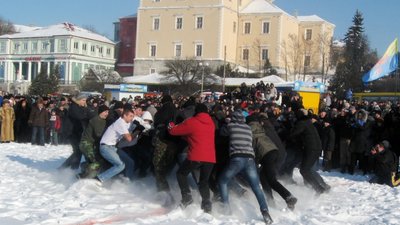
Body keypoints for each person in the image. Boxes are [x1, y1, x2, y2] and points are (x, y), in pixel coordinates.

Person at [218, 109, 273, 225]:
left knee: (223, 180)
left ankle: (226, 209)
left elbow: (222, 133)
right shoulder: (248, 128)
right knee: (256, 187)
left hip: (237, 158)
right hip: (250, 159)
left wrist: (227, 122)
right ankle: (265, 210)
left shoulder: (231, 126)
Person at [168, 103, 216, 212]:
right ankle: (207, 204)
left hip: (196, 155)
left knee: (181, 174)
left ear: (196, 112)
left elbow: (173, 131)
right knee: (204, 182)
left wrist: (170, 124)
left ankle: (187, 197)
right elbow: (198, 134)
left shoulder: (192, 121)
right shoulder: (211, 123)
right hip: (210, 158)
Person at [247, 113, 297, 210]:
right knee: (263, 177)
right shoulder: (260, 127)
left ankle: (289, 197)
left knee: (271, 180)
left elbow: (253, 147)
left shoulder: (250, 130)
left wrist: (255, 161)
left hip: (267, 154)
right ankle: (270, 202)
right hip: (273, 151)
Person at [290, 109, 330, 194]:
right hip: (315, 148)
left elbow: (293, 134)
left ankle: (319, 188)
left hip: (311, 148)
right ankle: (322, 185)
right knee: (308, 169)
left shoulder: (302, 123)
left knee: (304, 170)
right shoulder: (308, 122)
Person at [96, 108, 141, 183]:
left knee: (130, 162)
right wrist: (137, 131)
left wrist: (134, 127)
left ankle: (126, 181)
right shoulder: (120, 123)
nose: (132, 118)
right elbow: (129, 138)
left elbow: (127, 133)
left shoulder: (123, 123)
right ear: (124, 115)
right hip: (105, 147)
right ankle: (99, 179)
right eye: (130, 116)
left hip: (112, 147)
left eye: (133, 116)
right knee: (120, 165)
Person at [78, 105, 109, 179]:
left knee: (94, 162)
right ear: (101, 112)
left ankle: (84, 166)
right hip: (86, 144)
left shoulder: (103, 121)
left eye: (108, 112)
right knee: (96, 162)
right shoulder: (96, 120)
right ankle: (82, 176)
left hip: (91, 144)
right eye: (105, 112)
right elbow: (98, 134)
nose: (107, 113)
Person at [59, 94, 89, 170]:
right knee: (78, 151)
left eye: (85, 100)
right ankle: (70, 168)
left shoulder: (79, 107)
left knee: (78, 151)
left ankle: (66, 167)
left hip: (76, 132)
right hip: (71, 132)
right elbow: (80, 116)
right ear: (78, 100)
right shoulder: (74, 107)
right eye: (83, 100)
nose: (85, 102)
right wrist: (87, 111)